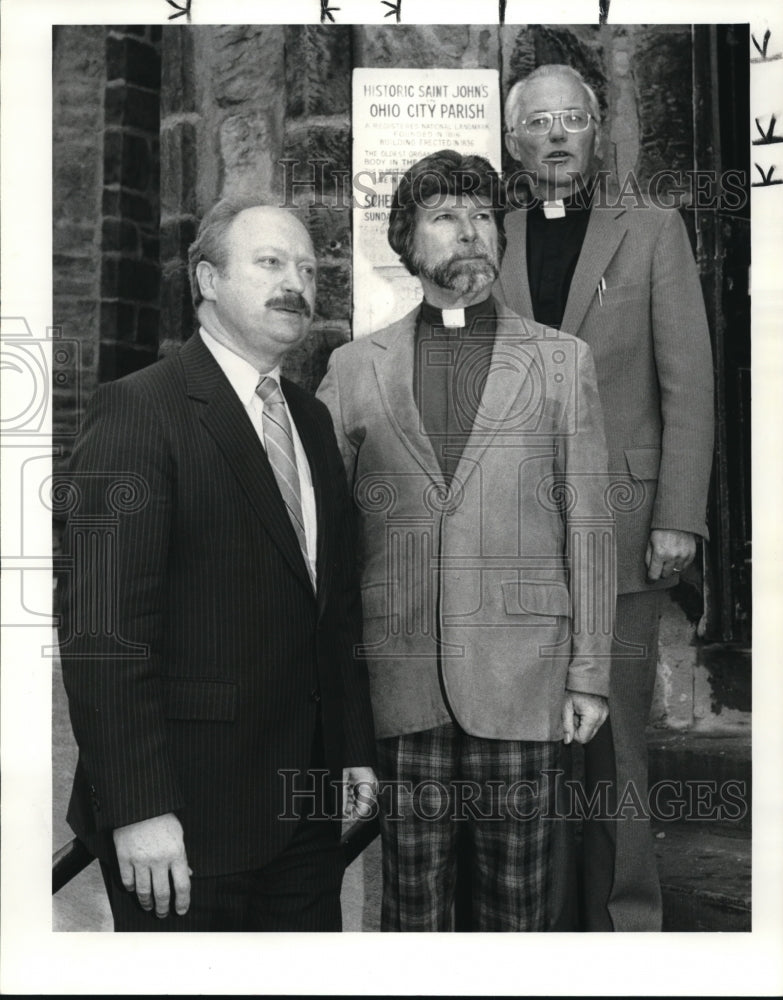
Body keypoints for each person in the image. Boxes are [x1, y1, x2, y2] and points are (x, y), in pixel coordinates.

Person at [57, 200, 377, 932]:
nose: (295, 282)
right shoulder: (139, 410)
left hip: (303, 810)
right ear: (206, 278)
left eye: (306, 267)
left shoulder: (310, 419)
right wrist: (139, 809)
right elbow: (104, 634)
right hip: (184, 821)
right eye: (269, 263)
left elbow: (329, 608)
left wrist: (352, 749)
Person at [317, 150, 613, 931]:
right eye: (445, 217)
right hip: (401, 675)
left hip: (523, 674)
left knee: (516, 907)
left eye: (481, 216)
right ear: (406, 245)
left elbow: (588, 524)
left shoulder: (560, 360)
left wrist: (589, 674)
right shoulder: (352, 369)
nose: (470, 232)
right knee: (412, 907)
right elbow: (324, 544)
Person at [499, 63, 715, 931]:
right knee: (524, 737)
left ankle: (627, 920)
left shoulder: (652, 229)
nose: (555, 135)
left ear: (597, 132)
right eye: (538, 122)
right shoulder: (493, 234)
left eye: (572, 120)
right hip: (514, 533)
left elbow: (688, 386)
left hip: (625, 530)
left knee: (615, 740)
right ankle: (541, 917)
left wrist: (678, 515)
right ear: (513, 143)